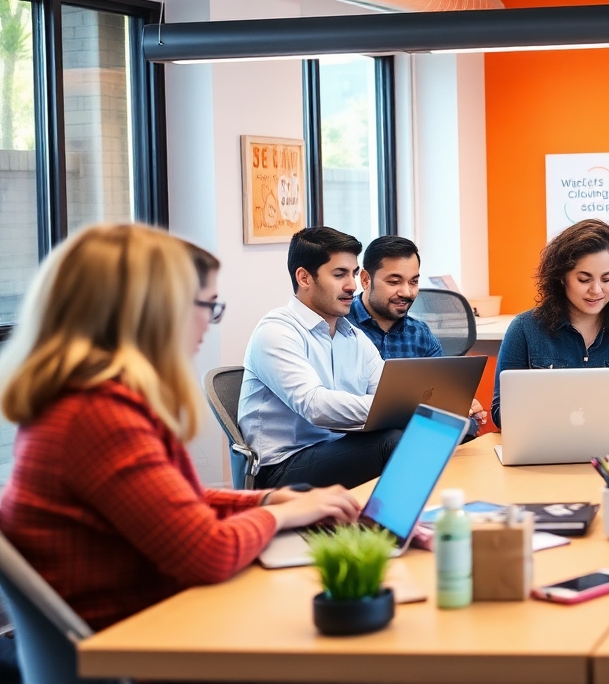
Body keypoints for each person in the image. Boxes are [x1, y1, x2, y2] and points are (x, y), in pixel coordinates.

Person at [0, 225, 359, 630]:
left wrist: (269, 503)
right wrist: (279, 518)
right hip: (139, 642)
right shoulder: (97, 415)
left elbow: (173, 501)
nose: (208, 324)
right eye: (207, 306)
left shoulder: (84, 399)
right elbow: (208, 553)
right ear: (153, 309)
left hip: (149, 622)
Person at [240, 226, 394, 489]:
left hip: (337, 449)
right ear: (304, 278)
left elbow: (388, 394)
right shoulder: (276, 331)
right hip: (282, 468)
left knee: (438, 431)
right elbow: (315, 406)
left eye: (354, 273)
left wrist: (431, 408)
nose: (352, 286)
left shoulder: (354, 338)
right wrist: (400, 408)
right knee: (395, 441)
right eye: (339, 274)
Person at [492, 220, 609, 429]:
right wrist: (556, 419)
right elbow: (500, 411)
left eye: (606, 279)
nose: (597, 290)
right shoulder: (524, 329)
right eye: (584, 280)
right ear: (561, 279)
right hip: (547, 449)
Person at [347, 235, 489, 433]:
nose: (406, 292)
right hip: (355, 442)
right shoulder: (340, 326)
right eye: (394, 282)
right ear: (365, 279)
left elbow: (445, 395)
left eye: (413, 282)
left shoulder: (419, 333)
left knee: (467, 426)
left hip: (412, 435)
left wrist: (463, 410)